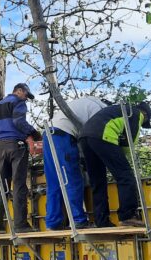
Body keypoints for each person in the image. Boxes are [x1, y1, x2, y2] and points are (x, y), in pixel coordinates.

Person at [78, 101, 151, 228]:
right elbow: (129, 144)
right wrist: (119, 161)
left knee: (98, 181)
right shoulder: (136, 114)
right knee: (125, 175)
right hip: (103, 134)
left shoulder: (119, 110)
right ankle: (128, 216)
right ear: (145, 115)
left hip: (84, 137)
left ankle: (102, 221)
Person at [42, 96, 107, 230]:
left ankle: (53, 222)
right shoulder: (100, 109)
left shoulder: (85, 103)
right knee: (72, 179)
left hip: (48, 134)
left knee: (54, 182)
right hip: (63, 136)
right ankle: (79, 220)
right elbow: (92, 135)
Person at [0, 83, 41, 233]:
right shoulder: (18, 102)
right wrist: (34, 134)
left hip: (1, 147)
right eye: (26, 95)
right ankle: (20, 225)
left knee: (3, 186)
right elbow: (19, 122)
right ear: (19, 91)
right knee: (19, 185)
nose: (26, 99)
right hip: (16, 146)